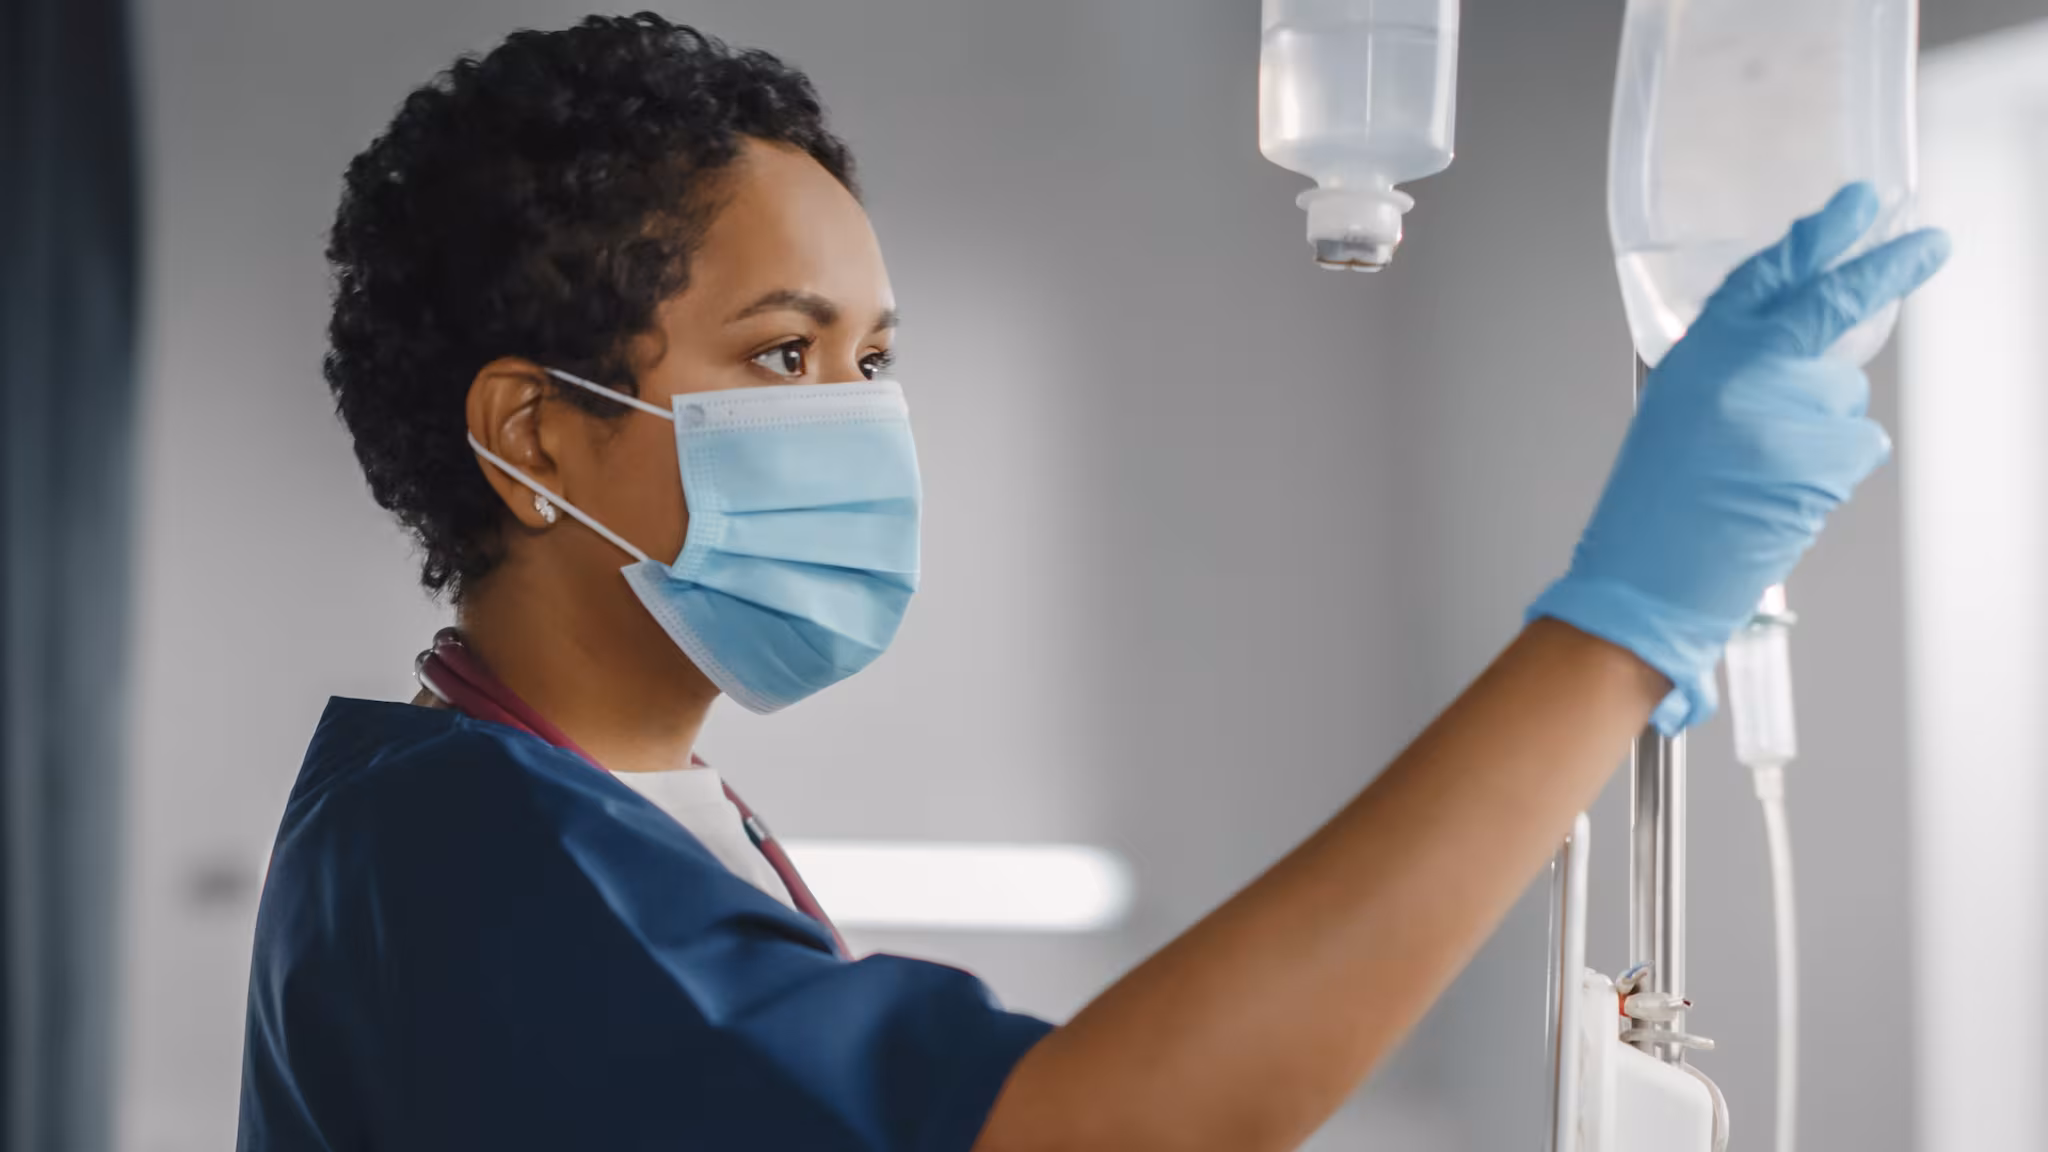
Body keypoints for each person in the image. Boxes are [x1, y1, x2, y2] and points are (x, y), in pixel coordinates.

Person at [235, 13, 1950, 1152]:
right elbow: (1094, 1132)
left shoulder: (604, 818)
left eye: (877, 356)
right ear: (533, 435)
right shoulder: (473, 864)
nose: (862, 423)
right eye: (782, 357)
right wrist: (1616, 634)